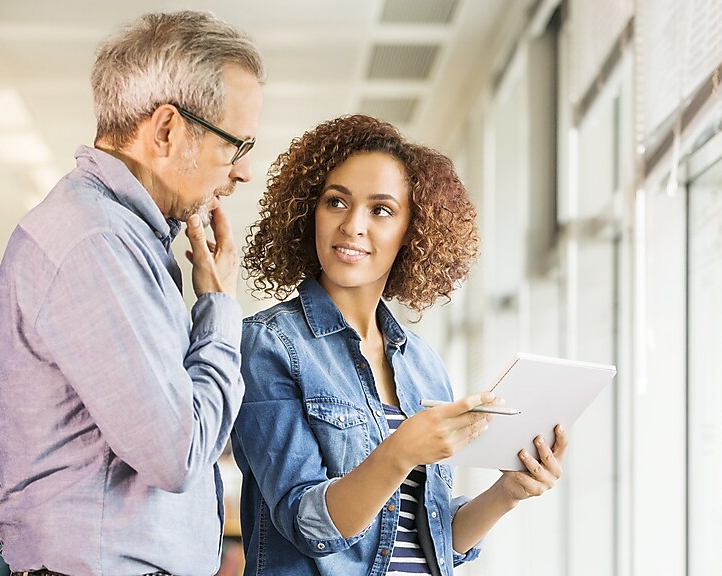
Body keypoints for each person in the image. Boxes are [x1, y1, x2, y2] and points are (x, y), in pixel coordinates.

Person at [0, 11, 263, 576]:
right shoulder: (95, 242)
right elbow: (177, 454)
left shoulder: (123, 238)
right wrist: (220, 310)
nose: (244, 172)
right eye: (237, 144)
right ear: (165, 131)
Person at [232, 114, 567, 575]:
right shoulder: (269, 344)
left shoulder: (421, 363)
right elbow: (308, 525)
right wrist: (400, 451)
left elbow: (428, 539)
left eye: (381, 210)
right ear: (310, 210)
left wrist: (506, 493)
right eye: (336, 202)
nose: (352, 226)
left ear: (413, 231)